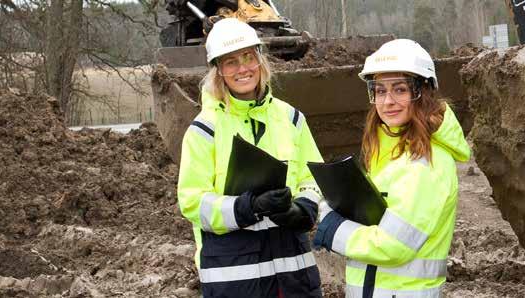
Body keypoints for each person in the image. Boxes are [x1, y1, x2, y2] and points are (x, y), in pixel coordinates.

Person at [177, 18, 323, 298]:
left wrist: (303, 208)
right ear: (218, 70)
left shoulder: (291, 118)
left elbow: (313, 177)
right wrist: (248, 207)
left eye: (248, 58)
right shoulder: (204, 130)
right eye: (231, 62)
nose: (243, 69)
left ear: (260, 61)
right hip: (235, 278)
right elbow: (193, 202)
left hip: (293, 276)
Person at [313, 39, 471, 298]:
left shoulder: (427, 163)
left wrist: (333, 228)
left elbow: (394, 245)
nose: (387, 101)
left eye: (400, 89)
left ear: (423, 91)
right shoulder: (388, 150)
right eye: (380, 90)